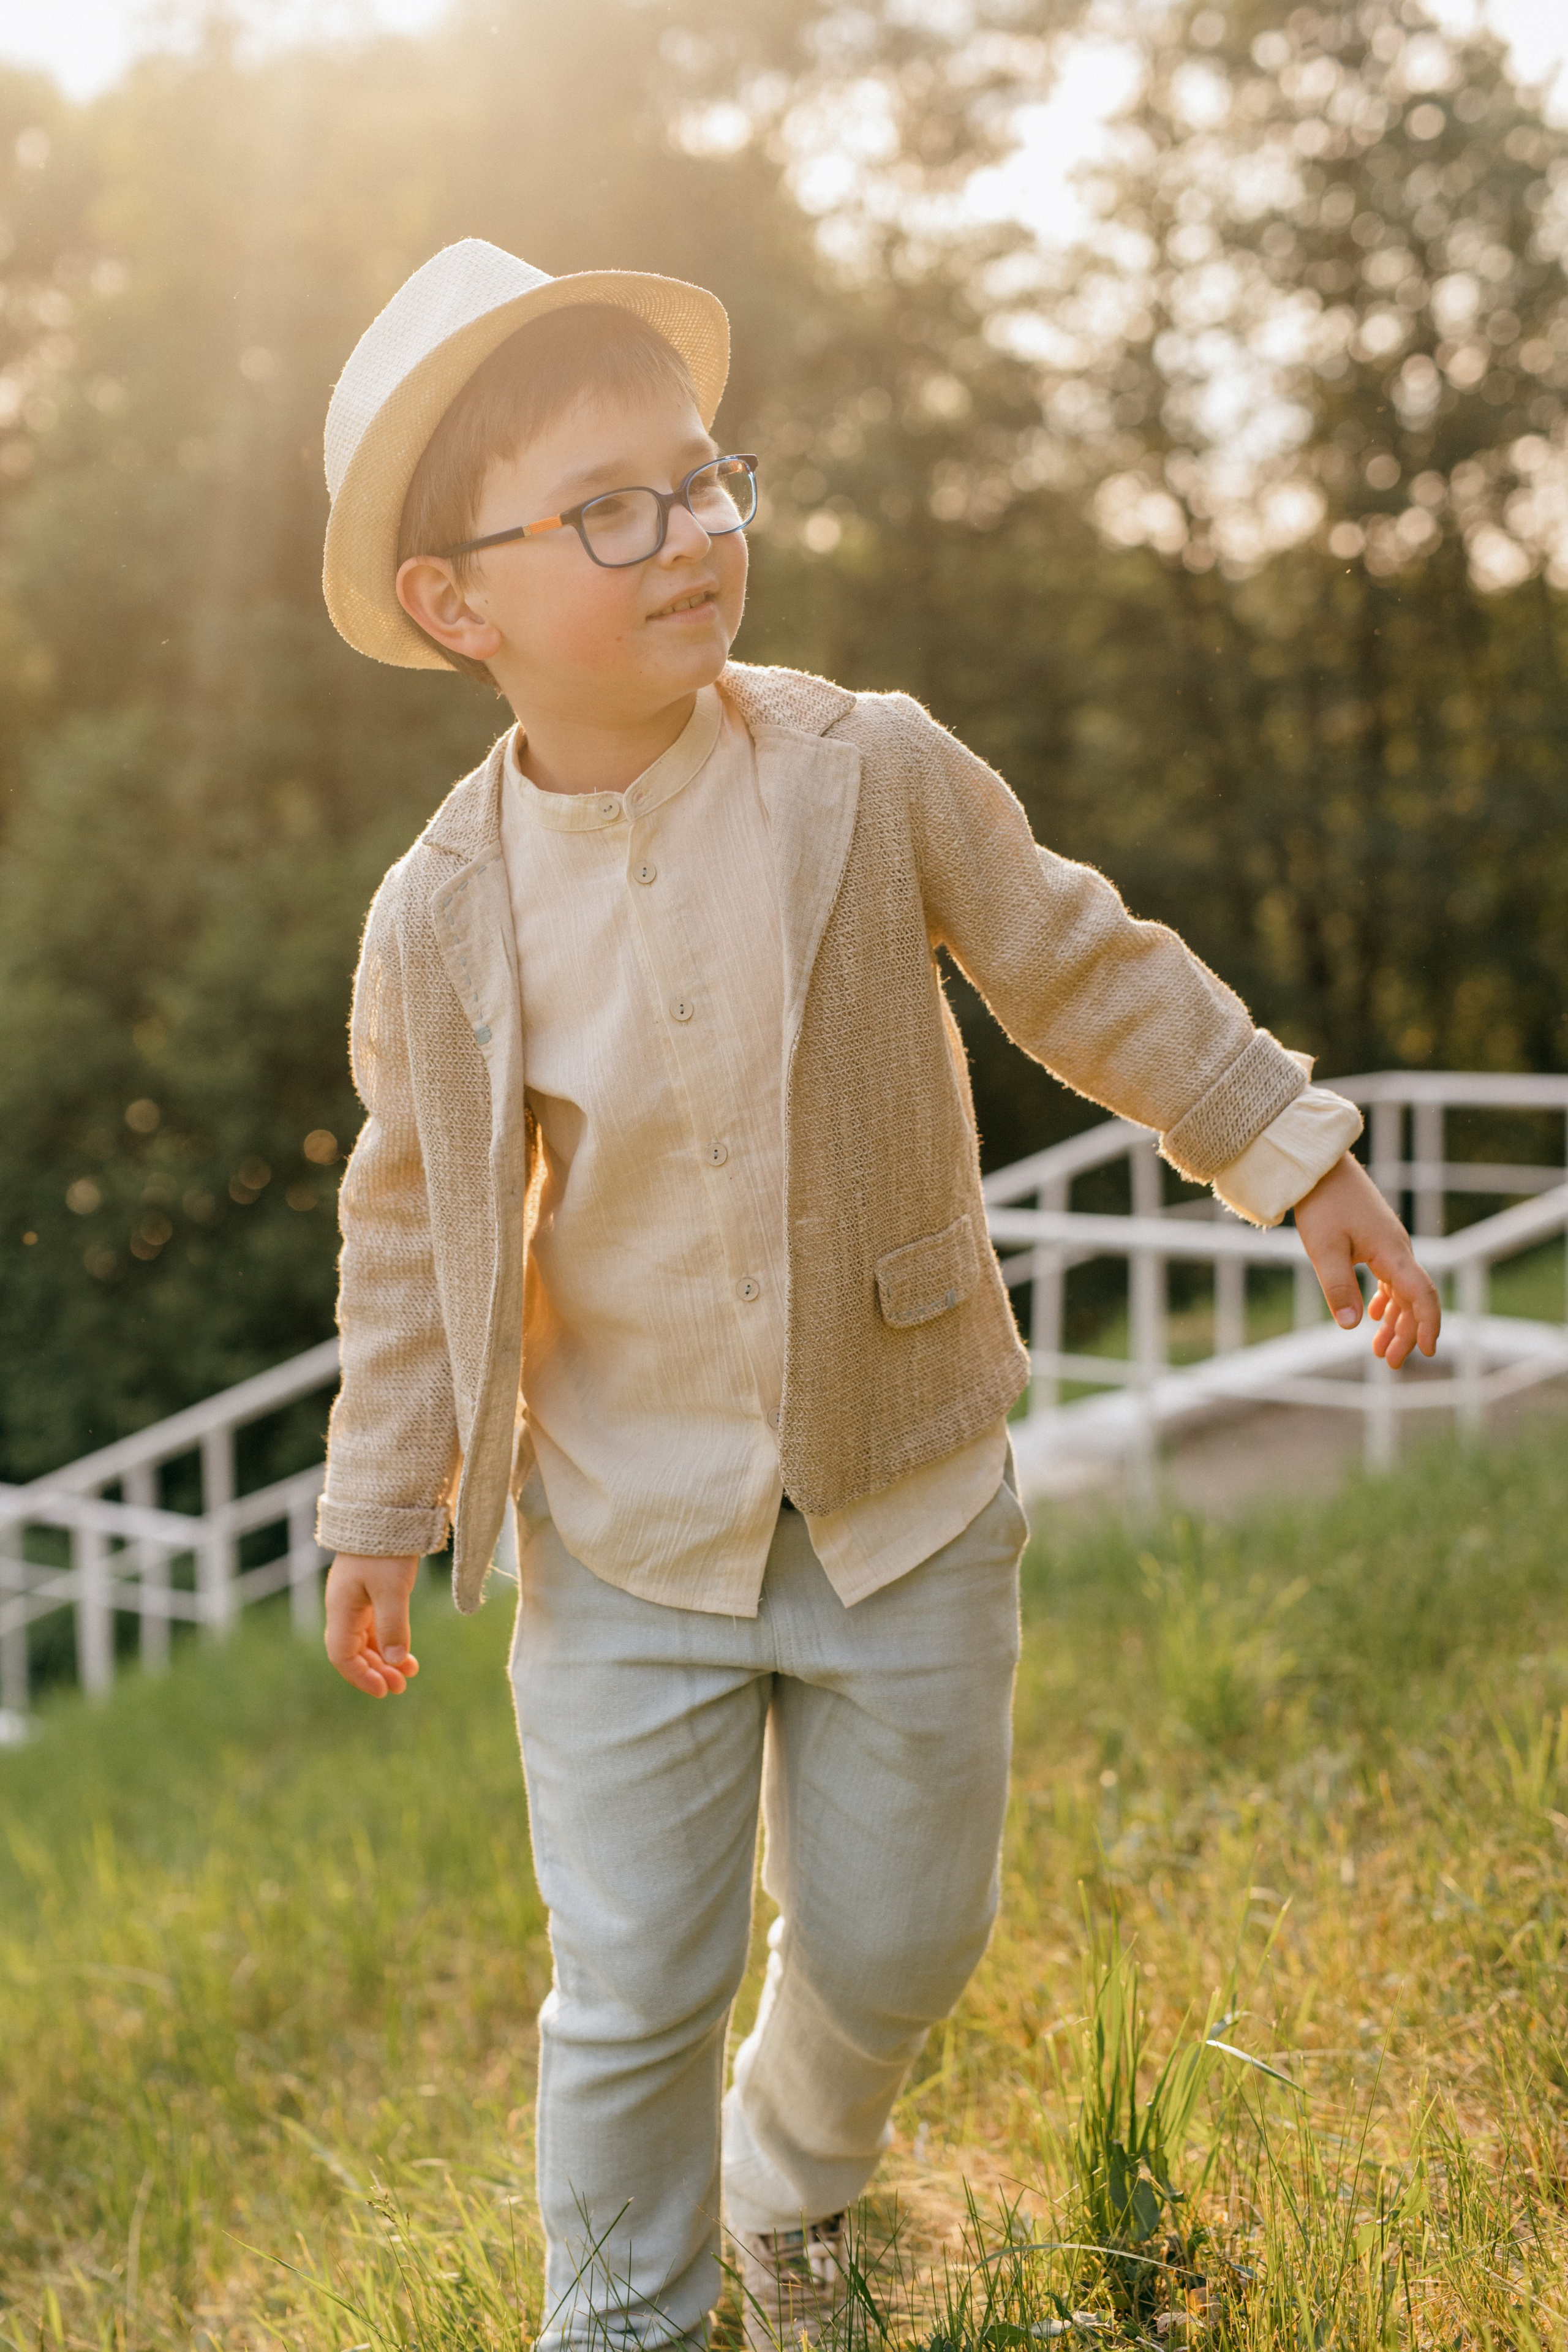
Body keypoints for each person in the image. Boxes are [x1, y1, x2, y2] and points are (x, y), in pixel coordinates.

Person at [314, 239, 1440, 2351]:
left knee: (909, 1937)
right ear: (462, 606)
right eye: (612, 510)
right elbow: (406, 1228)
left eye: (706, 477)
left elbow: (1078, 961)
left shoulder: (867, 767)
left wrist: (1292, 1150)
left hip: (907, 1489)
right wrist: (386, 1493)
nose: (695, 533)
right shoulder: (438, 918)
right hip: (627, 1539)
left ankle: (793, 2175)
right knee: (631, 1976)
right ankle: (627, 2318)